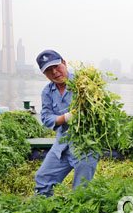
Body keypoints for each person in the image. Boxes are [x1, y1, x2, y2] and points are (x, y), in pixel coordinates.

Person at [34, 50, 98, 197]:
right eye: (49, 71)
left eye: (56, 66)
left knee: (81, 190)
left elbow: (99, 110)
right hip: (61, 145)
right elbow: (46, 118)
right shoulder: (47, 92)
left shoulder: (84, 84)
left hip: (85, 145)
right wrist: (66, 118)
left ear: (64, 63)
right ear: (45, 74)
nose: (55, 72)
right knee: (42, 180)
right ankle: (44, 212)